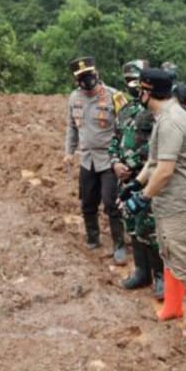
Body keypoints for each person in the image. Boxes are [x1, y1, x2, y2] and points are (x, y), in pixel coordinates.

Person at [124, 68, 186, 341]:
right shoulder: (162, 117)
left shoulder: (172, 121)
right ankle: (173, 307)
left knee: (184, 262)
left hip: (180, 202)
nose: (137, 93)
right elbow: (152, 162)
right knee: (168, 254)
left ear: (149, 92)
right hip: (166, 200)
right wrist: (137, 183)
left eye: (140, 89)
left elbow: (164, 170)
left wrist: (143, 198)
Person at [63, 56, 127, 262]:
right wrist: (69, 152)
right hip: (87, 159)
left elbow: (127, 128)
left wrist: (123, 158)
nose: (86, 81)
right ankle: (93, 238)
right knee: (88, 202)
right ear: (76, 80)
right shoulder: (74, 98)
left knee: (111, 202)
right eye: (81, 77)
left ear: (97, 73)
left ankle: (119, 244)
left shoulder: (114, 97)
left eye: (89, 75)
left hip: (109, 158)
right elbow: (71, 127)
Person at [111, 60, 165, 295]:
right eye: (129, 81)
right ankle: (142, 272)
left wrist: (133, 166)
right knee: (132, 226)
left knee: (150, 230)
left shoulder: (156, 112)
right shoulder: (125, 111)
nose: (134, 86)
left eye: (137, 81)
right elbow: (114, 139)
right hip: (126, 180)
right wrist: (115, 163)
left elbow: (158, 148)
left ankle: (160, 276)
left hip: (148, 179)